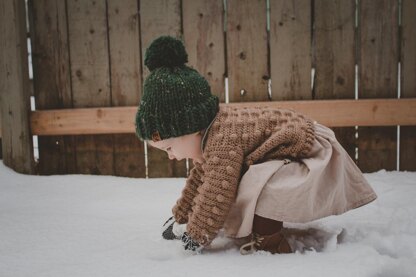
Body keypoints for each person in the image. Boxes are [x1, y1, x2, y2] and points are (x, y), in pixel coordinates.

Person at [135, 36, 377, 254]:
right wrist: (180, 217)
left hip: (312, 154)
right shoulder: (211, 134)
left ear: (191, 129)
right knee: (246, 179)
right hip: (295, 149)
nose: (170, 156)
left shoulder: (221, 140)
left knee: (255, 183)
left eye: (169, 148)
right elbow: (201, 178)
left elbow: (214, 195)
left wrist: (196, 236)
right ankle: (263, 230)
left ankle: (271, 242)